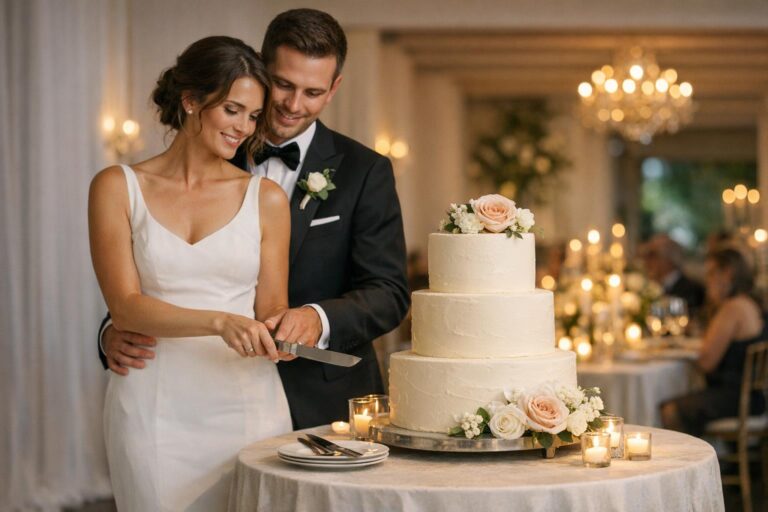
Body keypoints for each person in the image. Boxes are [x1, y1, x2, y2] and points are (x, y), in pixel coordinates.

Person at [98, 9, 410, 429]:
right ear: (261, 69)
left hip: (321, 396)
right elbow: (162, 273)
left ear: (334, 89)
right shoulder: (213, 141)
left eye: (312, 92)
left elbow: (389, 291)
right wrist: (113, 329)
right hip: (177, 388)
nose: (293, 105)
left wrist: (318, 317)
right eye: (283, 84)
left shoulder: (364, 170)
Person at [89, 36, 292, 510]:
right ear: (191, 101)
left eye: (254, 116)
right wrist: (218, 321)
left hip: (247, 404)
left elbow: (271, 308)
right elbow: (125, 306)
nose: (244, 127)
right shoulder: (117, 188)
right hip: (151, 400)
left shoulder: (266, 199)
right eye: (233, 110)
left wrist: (285, 326)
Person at [660, 248, 766, 436]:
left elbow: (707, 363)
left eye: (710, 274)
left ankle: (691, 462)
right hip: (753, 397)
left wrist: (682, 354)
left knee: (671, 409)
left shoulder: (732, 308)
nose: (707, 282)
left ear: (727, 274)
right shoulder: (751, 302)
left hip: (738, 399)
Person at [640, 233, 705, 317]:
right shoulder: (653, 286)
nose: (646, 261)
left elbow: (678, 318)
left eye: (652, 255)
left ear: (668, 260)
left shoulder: (690, 290)